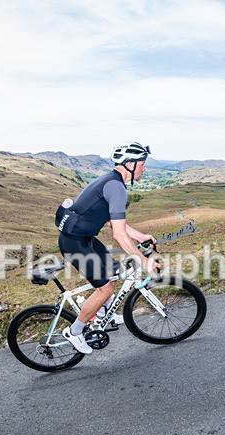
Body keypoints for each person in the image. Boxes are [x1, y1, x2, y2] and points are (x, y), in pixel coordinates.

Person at [57, 142, 159, 354]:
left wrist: (141, 236)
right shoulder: (116, 187)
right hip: (75, 243)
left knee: (111, 273)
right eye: (142, 164)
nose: (144, 169)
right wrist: (143, 261)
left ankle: (105, 314)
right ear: (129, 164)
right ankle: (74, 331)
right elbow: (119, 234)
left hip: (84, 239)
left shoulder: (111, 181)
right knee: (106, 288)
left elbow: (115, 223)